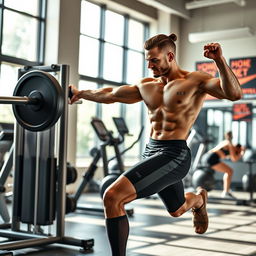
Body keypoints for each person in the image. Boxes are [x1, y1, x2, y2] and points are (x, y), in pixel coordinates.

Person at [70, 33, 242, 256]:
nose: (150, 66)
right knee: (177, 209)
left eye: (155, 61)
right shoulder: (146, 85)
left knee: (112, 197)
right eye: (148, 61)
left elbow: (234, 93)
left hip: (175, 154)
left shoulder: (195, 81)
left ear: (170, 56)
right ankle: (198, 200)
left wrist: (219, 60)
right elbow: (110, 94)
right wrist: (79, 93)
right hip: (151, 151)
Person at [202, 131, 245, 199]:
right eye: (238, 151)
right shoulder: (230, 144)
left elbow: (232, 157)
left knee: (229, 171)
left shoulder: (226, 143)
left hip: (208, 157)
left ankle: (226, 190)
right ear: (237, 148)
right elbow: (234, 159)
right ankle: (225, 192)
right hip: (211, 158)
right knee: (229, 171)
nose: (237, 152)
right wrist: (242, 153)